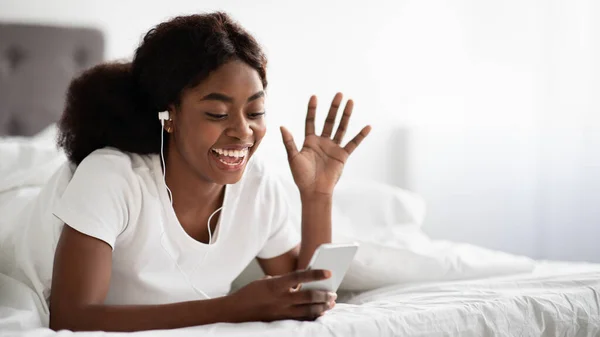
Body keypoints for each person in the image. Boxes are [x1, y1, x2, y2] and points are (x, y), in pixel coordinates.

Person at [9, 12, 371, 332]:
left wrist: (318, 196)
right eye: (217, 113)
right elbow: (72, 318)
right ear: (170, 116)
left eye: (255, 112)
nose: (243, 131)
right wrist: (231, 309)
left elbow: (303, 293)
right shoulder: (112, 177)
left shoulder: (259, 185)